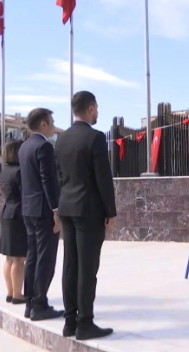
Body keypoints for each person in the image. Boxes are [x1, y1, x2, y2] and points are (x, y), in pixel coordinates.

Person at [55, 91, 117, 340]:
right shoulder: (95, 138)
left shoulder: (62, 139)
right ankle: (85, 323)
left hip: (67, 208)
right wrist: (110, 212)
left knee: (70, 265)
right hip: (89, 211)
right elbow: (103, 178)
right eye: (97, 108)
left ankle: (69, 322)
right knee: (87, 268)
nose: (98, 112)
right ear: (90, 109)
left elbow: (60, 175)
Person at [18, 108, 64, 321]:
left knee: (33, 257)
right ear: (43, 124)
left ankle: (30, 303)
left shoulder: (24, 146)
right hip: (44, 211)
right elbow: (48, 180)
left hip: (28, 209)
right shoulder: (44, 146)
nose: (54, 126)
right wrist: (56, 210)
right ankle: (39, 304)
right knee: (45, 258)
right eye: (52, 122)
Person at [0, 139, 28, 304]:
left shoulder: (5, 171)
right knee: (19, 258)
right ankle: (18, 294)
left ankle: (10, 292)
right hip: (19, 215)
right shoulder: (20, 172)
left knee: (9, 257)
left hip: (7, 212)